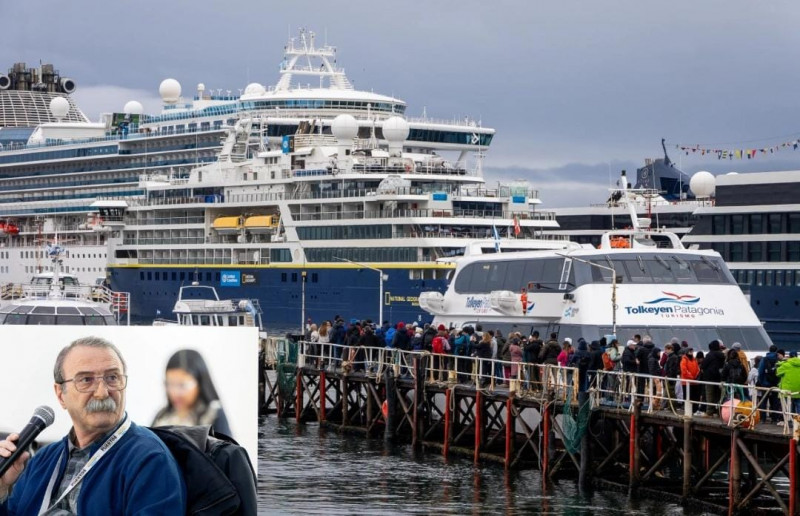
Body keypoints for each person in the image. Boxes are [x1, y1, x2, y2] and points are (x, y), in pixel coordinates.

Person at [0, 336, 186, 514]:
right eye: (86, 380)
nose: (102, 392)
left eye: (112, 378)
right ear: (60, 395)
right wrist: (1, 488)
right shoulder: (42, 460)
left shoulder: (150, 459)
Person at [152, 349, 232, 437]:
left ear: (199, 383)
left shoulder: (213, 415)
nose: (175, 393)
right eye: (170, 384)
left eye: (182, 385)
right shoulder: (162, 416)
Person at [757, 345, 784, 424]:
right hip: (775, 384)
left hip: (765, 383)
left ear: (769, 350)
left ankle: (763, 418)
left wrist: (762, 382)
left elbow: (760, 372)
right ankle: (774, 418)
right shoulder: (778, 359)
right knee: (775, 401)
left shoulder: (764, 359)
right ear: (776, 351)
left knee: (764, 401)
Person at [699, 340, 725, 416]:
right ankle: (718, 412)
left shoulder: (709, 355)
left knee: (709, 395)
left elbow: (703, 365)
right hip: (719, 378)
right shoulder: (722, 355)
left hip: (709, 377)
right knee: (718, 395)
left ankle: (709, 411)